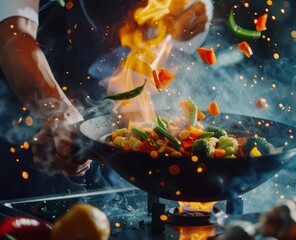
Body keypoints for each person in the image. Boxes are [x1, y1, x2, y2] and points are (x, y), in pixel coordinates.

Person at [0, 0, 212, 199]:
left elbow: (169, 26)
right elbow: (14, 34)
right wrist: (58, 110)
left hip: (116, 136)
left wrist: (187, 20)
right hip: (29, 120)